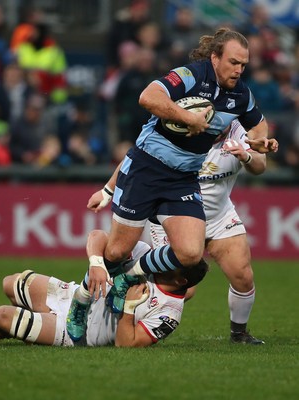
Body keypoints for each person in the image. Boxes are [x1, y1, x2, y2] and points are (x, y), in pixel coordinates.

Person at [88, 28, 269, 291]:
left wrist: (258, 142)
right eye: (233, 62)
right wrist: (188, 118)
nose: (239, 70)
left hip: (183, 179)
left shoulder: (241, 95)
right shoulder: (190, 75)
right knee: (116, 252)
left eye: (243, 64)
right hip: (147, 168)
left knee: (190, 254)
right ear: (215, 58)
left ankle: (130, 276)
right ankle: (83, 294)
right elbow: (147, 97)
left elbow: (259, 126)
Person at [74, 121, 278, 345]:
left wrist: (245, 156)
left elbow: (259, 165)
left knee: (243, 275)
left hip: (218, 216)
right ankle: (123, 319)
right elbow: (137, 157)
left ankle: (239, 334)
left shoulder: (241, 131)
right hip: (173, 216)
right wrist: (107, 190)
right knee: (184, 290)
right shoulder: (180, 128)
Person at [0, 230, 208, 348]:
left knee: (3, 316)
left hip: (76, 332)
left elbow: (126, 344)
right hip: (73, 295)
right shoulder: (148, 257)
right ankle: (30, 325)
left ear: (182, 280)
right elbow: (98, 236)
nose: (168, 257)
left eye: (176, 261)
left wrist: (128, 308)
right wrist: (96, 263)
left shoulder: (169, 314)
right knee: (10, 283)